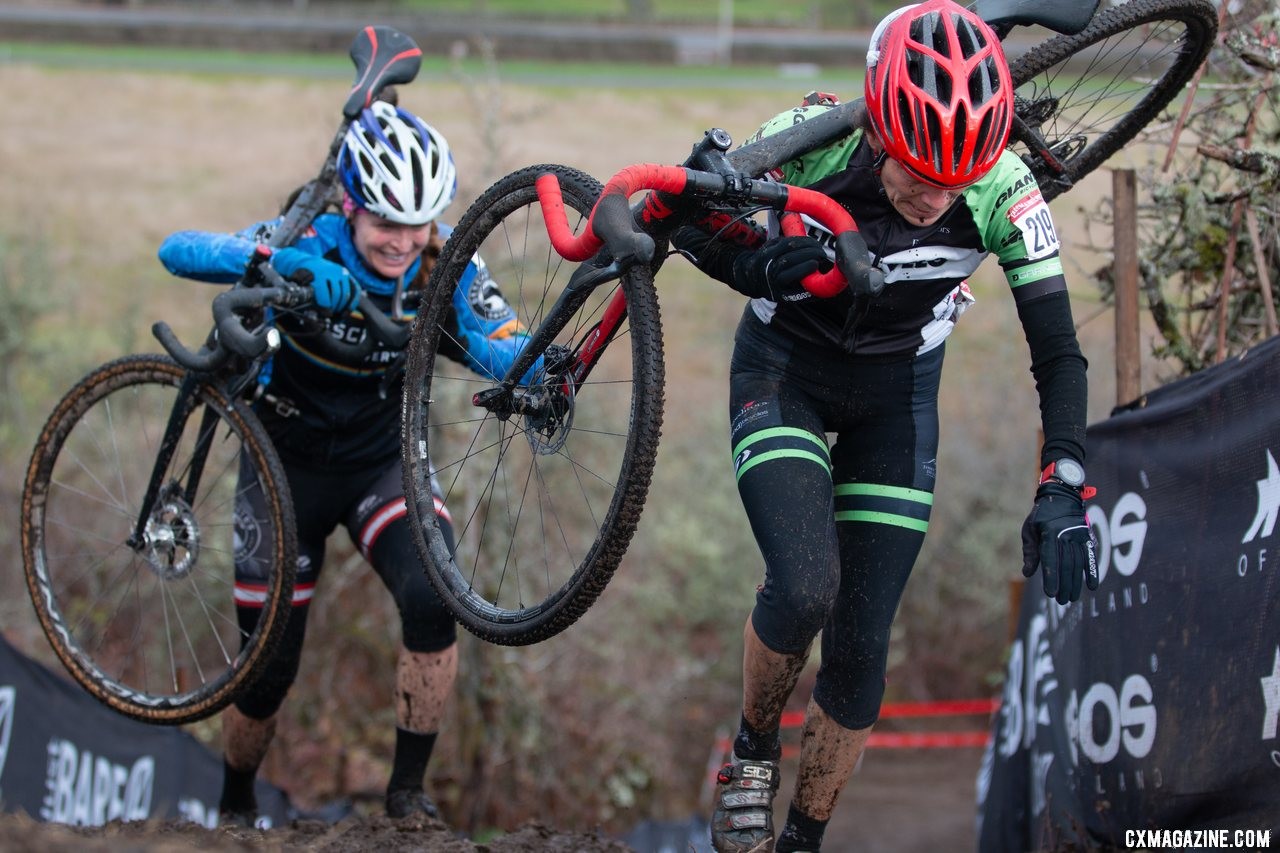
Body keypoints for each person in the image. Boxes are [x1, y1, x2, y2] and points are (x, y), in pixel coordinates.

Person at [672, 2, 1098, 850]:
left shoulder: (1004, 187)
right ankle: (753, 749)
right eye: (914, 172)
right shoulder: (815, 133)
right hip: (785, 368)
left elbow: (1059, 353)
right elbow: (691, 224)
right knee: (803, 588)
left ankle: (802, 842)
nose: (933, 195)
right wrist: (760, 260)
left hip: (898, 392)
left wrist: (1065, 480)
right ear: (878, 127)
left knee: (863, 645)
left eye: (955, 178)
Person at [158, 101, 533, 825]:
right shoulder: (311, 237)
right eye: (385, 222)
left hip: (377, 462)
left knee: (435, 595)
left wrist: (545, 368)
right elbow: (178, 250)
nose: (402, 241)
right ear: (352, 208)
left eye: (418, 222)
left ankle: (407, 797)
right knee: (267, 670)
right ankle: (234, 804)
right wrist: (283, 262)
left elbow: (501, 338)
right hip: (281, 466)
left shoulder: (447, 257)